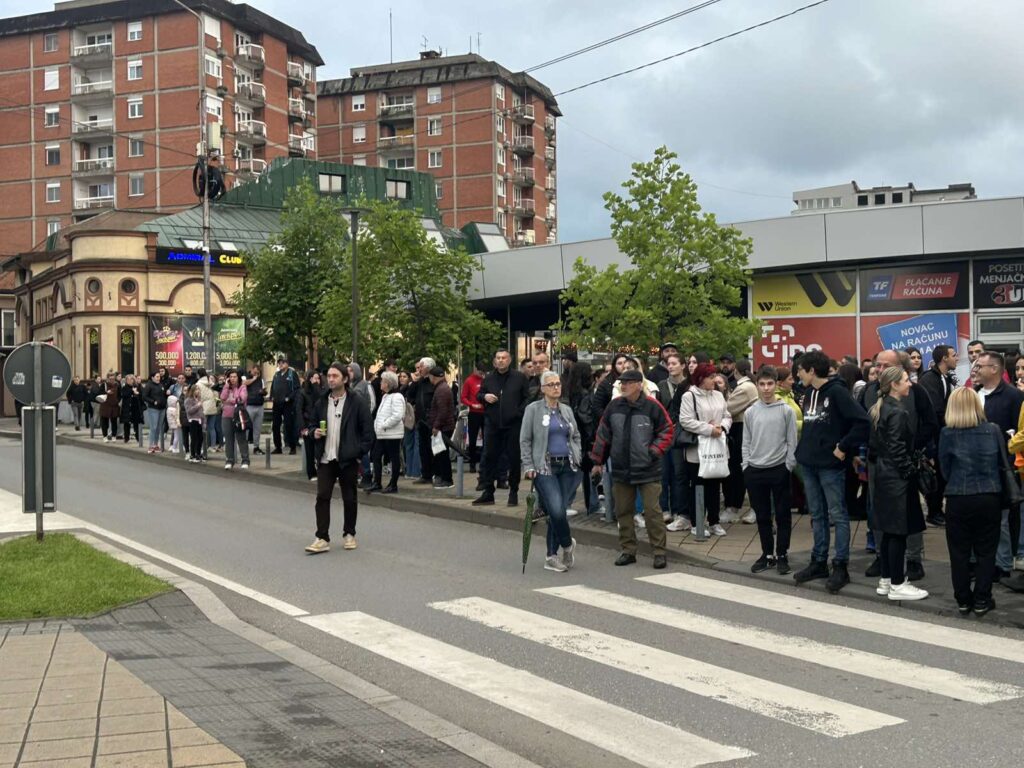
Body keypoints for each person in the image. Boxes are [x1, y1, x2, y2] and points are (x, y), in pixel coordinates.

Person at [792, 350, 869, 593]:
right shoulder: (808, 392)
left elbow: (862, 421)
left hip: (830, 466)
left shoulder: (837, 392)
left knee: (837, 514)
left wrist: (844, 447)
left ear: (812, 370)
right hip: (809, 462)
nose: (797, 375)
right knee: (817, 514)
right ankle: (818, 561)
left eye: (800, 370)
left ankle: (840, 564)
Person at [590, 369, 673, 569]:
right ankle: (628, 550)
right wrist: (597, 462)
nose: (622, 386)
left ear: (638, 384)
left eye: (626, 383)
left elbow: (668, 430)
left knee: (653, 513)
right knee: (623, 511)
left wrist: (653, 451)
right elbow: (603, 434)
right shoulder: (613, 406)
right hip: (621, 468)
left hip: (648, 469)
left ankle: (659, 552)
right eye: (621, 383)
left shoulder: (653, 406)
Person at [939, 387, 1003, 615]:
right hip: (989, 496)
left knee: (959, 552)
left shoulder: (947, 433)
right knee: (986, 551)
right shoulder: (993, 430)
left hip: (958, 496)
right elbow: (1000, 463)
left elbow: (944, 469)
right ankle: (982, 599)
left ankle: (963, 599)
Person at [868, 365, 928, 601]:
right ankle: (897, 583)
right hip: (896, 478)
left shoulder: (879, 408)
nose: (910, 384)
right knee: (898, 533)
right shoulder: (898, 412)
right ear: (894, 384)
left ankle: (886, 579)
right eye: (905, 380)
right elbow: (897, 448)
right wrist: (909, 470)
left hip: (884, 475)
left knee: (888, 531)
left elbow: (878, 445)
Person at [304, 362, 374, 555]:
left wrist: (358, 453)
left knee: (349, 497)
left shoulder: (357, 401)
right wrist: (313, 433)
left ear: (345, 379)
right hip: (326, 457)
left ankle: (349, 533)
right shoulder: (321, 401)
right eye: (329, 375)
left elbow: (368, 432)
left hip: (347, 458)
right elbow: (310, 425)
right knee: (322, 496)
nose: (331, 379)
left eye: (335, 376)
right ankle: (322, 537)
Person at [522, 370, 582, 572]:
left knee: (559, 512)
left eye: (558, 384)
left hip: (568, 466)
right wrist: (528, 465)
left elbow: (575, 435)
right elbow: (525, 440)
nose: (556, 387)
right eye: (551, 385)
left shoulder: (566, 410)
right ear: (543, 389)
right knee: (556, 510)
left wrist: (578, 454)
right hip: (545, 467)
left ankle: (551, 556)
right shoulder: (533, 409)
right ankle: (567, 544)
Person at [974, 351, 1024, 585]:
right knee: (980, 518)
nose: (975, 369)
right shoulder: (973, 395)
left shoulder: (1013, 396)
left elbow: (1018, 431)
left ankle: (1002, 564)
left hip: (1002, 466)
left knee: (1002, 519)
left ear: (994, 369)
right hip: (975, 466)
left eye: (980, 365)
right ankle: (981, 562)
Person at [743, 366, 798, 575]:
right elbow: (746, 441)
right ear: (757, 385)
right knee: (763, 515)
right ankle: (767, 554)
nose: (766, 388)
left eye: (770, 384)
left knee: (783, 515)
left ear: (776, 385)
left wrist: (788, 465)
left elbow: (792, 441)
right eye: (762, 384)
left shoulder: (786, 411)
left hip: (779, 468)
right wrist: (746, 465)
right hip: (755, 469)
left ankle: (782, 553)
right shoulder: (750, 412)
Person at [678, 362, 732, 537]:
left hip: (717, 447)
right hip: (697, 450)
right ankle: (697, 523)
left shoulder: (718, 395)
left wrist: (721, 427)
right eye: (710, 377)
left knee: (715, 486)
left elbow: (727, 415)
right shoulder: (689, 396)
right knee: (698, 485)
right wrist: (709, 429)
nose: (714, 380)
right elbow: (686, 421)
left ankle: (714, 521)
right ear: (700, 379)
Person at [473, 349, 530, 507]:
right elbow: (479, 394)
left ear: (510, 360)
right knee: (490, 457)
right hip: (493, 424)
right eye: (498, 358)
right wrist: (484, 397)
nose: (501, 360)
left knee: (513, 459)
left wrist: (518, 412)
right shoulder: (489, 378)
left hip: (513, 425)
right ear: (494, 361)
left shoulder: (519, 377)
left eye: (504, 358)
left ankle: (513, 492)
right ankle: (488, 492)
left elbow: (528, 398)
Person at [917, 344, 959, 525]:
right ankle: (934, 511)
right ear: (944, 358)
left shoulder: (944, 378)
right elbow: (934, 411)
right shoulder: (929, 379)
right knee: (936, 476)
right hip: (934, 437)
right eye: (953, 355)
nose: (956, 358)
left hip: (942, 435)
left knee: (942, 476)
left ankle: (936, 510)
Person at [657, 353, 689, 530]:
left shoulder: (687, 386)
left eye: (674, 363)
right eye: (668, 364)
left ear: (682, 365)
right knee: (663, 473)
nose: (671, 366)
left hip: (680, 435)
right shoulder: (662, 385)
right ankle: (664, 509)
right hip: (664, 433)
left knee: (679, 474)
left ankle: (678, 509)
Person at [725, 358, 758, 523]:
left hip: (741, 429)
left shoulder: (744, 388)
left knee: (740, 469)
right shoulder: (749, 386)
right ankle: (752, 507)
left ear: (736, 371)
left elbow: (727, 409)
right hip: (744, 429)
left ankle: (739, 507)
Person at [371, 371, 405, 493]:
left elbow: (397, 416)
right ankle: (377, 482)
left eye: (383, 381)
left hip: (392, 434)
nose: (381, 383)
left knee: (393, 458)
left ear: (388, 383)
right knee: (376, 456)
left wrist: (384, 424)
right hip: (383, 433)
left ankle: (393, 484)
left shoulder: (396, 397)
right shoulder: (386, 396)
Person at [407, 358, 438, 485]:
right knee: (423, 448)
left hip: (432, 420)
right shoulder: (419, 382)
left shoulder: (433, 381)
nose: (418, 370)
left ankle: (436, 473)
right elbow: (410, 395)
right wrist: (414, 382)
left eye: (421, 367)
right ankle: (425, 474)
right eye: (418, 367)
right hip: (421, 420)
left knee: (434, 448)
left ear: (428, 368)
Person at [428, 366, 456, 489]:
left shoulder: (442, 390)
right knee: (439, 454)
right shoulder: (441, 388)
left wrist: (436, 426)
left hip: (443, 428)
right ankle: (442, 477)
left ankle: (447, 479)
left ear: (433, 377)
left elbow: (443, 411)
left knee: (442, 454)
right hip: (443, 426)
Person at [296, 370, 323, 481]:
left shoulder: (320, 391)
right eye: (315, 378)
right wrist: (303, 427)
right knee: (309, 450)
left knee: (320, 449)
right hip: (308, 424)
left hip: (319, 423)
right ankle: (311, 472)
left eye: (318, 378)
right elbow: (299, 410)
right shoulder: (303, 393)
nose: (317, 381)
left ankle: (321, 471)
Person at [219, 369, 250, 470]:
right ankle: (229, 460)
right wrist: (227, 387)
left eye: (234, 377)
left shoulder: (242, 386)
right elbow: (222, 397)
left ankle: (245, 459)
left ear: (238, 377)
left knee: (241, 438)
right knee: (228, 439)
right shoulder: (226, 387)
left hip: (238, 415)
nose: (232, 379)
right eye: (231, 377)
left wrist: (230, 400)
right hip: (226, 415)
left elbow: (242, 399)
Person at [460, 361, 486, 474]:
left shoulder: (486, 380)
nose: (481, 375)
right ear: (475, 370)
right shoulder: (469, 381)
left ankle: (484, 464)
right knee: (473, 439)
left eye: (482, 373)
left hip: (485, 413)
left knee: (487, 438)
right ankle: (472, 463)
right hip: (474, 413)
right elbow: (463, 397)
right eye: (479, 372)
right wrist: (471, 404)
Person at [270, 356, 300, 455]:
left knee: (288, 425)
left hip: (288, 404)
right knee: (275, 426)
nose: (281, 364)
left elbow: (296, 389)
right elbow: (273, 387)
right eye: (279, 363)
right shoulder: (276, 375)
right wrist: (272, 396)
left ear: (287, 364)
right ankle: (278, 447)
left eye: (282, 363)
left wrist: (289, 398)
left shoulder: (292, 374)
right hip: (277, 403)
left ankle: (292, 446)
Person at [141, 371, 167, 453]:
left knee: (159, 427)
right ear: (152, 377)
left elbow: (163, 395)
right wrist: (153, 401)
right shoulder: (149, 385)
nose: (158, 378)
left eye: (159, 376)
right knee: (153, 427)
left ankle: (155, 444)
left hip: (162, 408)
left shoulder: (161, 385)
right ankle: (151, 445)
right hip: (153, 408)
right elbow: (144, 396)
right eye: (157, 376)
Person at [196, 369, 220, 455]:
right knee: (212, 427)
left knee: (203, 428)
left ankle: (203, 446)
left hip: (203, 407)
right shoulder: (212, 383)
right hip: (212, 407)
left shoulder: (198, 384)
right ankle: (212, 446)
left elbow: (197, 396)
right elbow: (216, 393)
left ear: (198, 375)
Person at [244, 364, 267, 455]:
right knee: (247, 427)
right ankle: (244, 446)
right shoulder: (246, 377)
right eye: (255, 371)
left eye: (258, 372)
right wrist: (253, 378)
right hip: (249, 405)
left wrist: (263, 392)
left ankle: (256, 447)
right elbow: (244, 383)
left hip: (259, 405)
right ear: (252, 369)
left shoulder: (261, 380)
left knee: (257, 428)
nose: (256, 373)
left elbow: (264, 389)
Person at [117, 375, 143, 444]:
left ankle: (138, 437)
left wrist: (137, 394)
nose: (130, 381)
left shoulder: (137, 387)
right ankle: (126, 438)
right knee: (126, 423)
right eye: (128, 380)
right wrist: (132, 391)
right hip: (127, 407)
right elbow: (123, 394)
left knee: (136, 423)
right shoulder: (124, 387)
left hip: (135, 407)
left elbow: (141, 395)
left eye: (131, 379)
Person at [184, 384, 206, 464]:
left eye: (199, 390)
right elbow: (189, 411)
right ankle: (192, 454)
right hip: (193, 420)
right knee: (194, 438)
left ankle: (198, 453)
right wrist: (197, 406)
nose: (198, 391)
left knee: (200, 438)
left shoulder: (199, 399)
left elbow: (202, 411)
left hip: (200, 420)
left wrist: (204, 420)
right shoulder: (189, 400)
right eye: (196, 390)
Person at [97, 374, 120, 442]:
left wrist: (117, 401)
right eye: (110, 379)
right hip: (105, 406)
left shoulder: (117, 385)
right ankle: (105, 436)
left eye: (113, 379)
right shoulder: (103, 385)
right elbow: (99, 394)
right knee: (104, 422)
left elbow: (119, 395)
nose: (112, 380)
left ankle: (114, 436)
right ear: (107, 379)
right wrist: (106, 392)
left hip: (114, 406)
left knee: (114, 422)